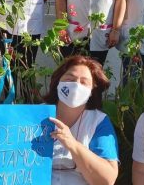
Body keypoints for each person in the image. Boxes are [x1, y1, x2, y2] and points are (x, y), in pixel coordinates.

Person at [44, 55, 118, 184]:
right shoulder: (34, 114)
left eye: (84, 82)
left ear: (92, 91)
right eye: (70, 79)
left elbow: (107, 180)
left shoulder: (98, 121)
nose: (76, 85)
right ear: (58, 83)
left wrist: (72, 144)